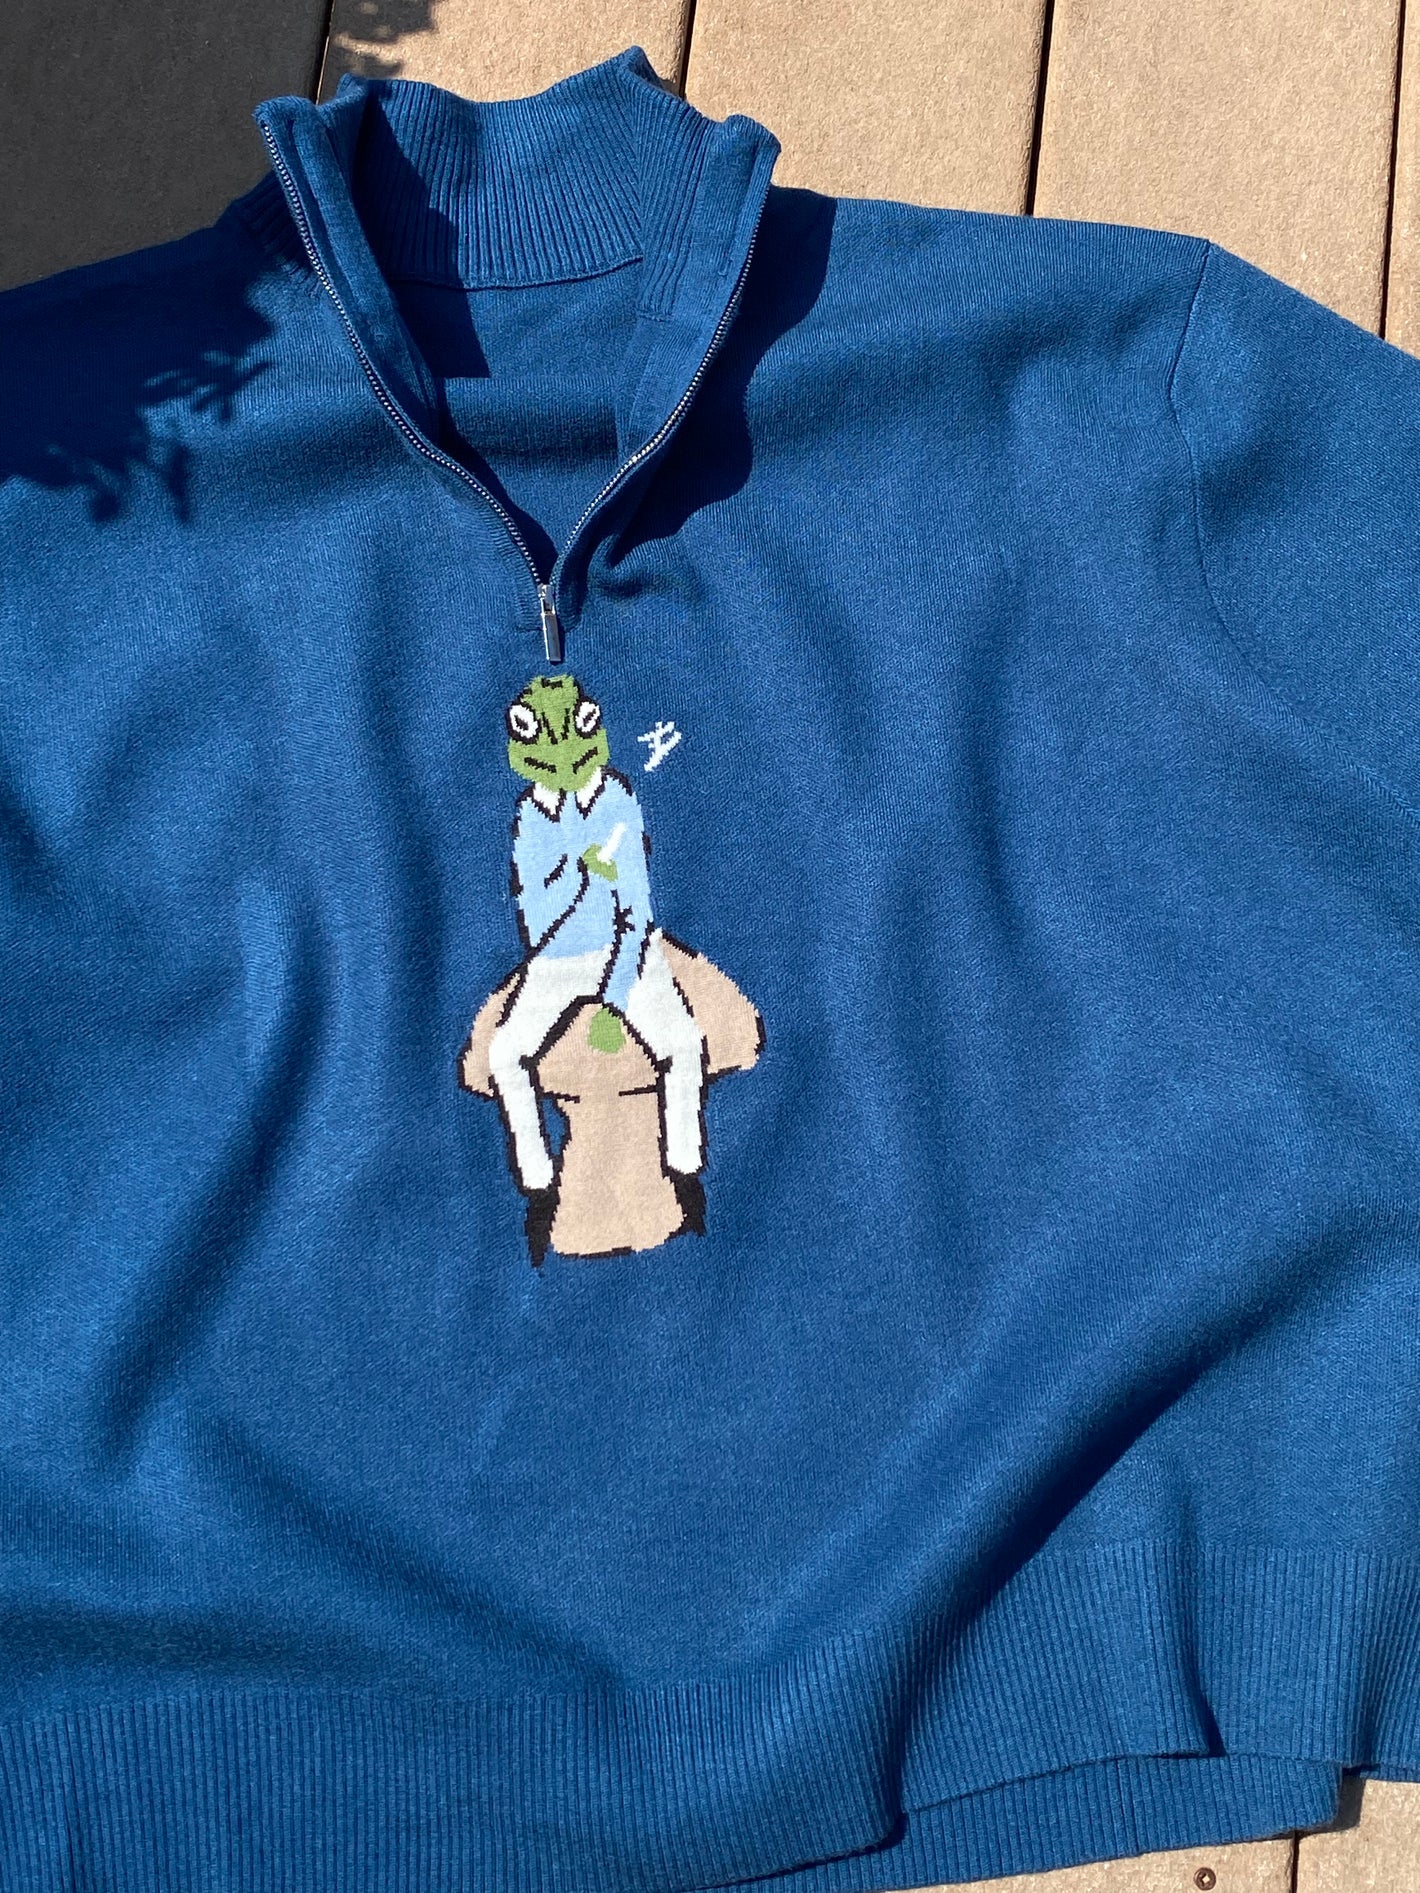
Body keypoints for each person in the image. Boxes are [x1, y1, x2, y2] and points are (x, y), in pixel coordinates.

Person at [482, 674, 707, 1263]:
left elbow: (636, 910)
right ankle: (538, 1184)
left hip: (625, 948)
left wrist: (616, 993)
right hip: (556, 961)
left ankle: (686, 1171)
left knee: (683, 1044)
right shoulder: (531, 816)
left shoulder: (616, 800)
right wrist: (577, 874)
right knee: (506, 1053)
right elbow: (536, 919)